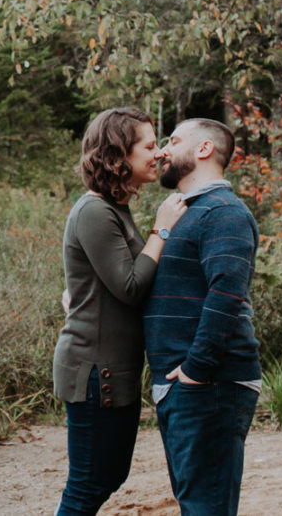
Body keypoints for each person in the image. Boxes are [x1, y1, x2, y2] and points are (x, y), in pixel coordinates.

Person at [54, 107, 188, 515]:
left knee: (108, 476)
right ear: (118, 156)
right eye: (149, 146)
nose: (159, 153)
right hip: (95, 372)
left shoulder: (114, 208)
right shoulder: (95, 211)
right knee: (88, 484)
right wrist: (161, 229)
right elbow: (130, 287)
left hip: (113, 371)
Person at [144, 118, 261, 516]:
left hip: (210, 385)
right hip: (187, 387)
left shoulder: (223, 212)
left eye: (172, 141)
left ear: (204, 149)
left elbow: (227, 294)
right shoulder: (186, 214)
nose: (161, 151)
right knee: (197, 505)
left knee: (206, 508)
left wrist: (196, 370)